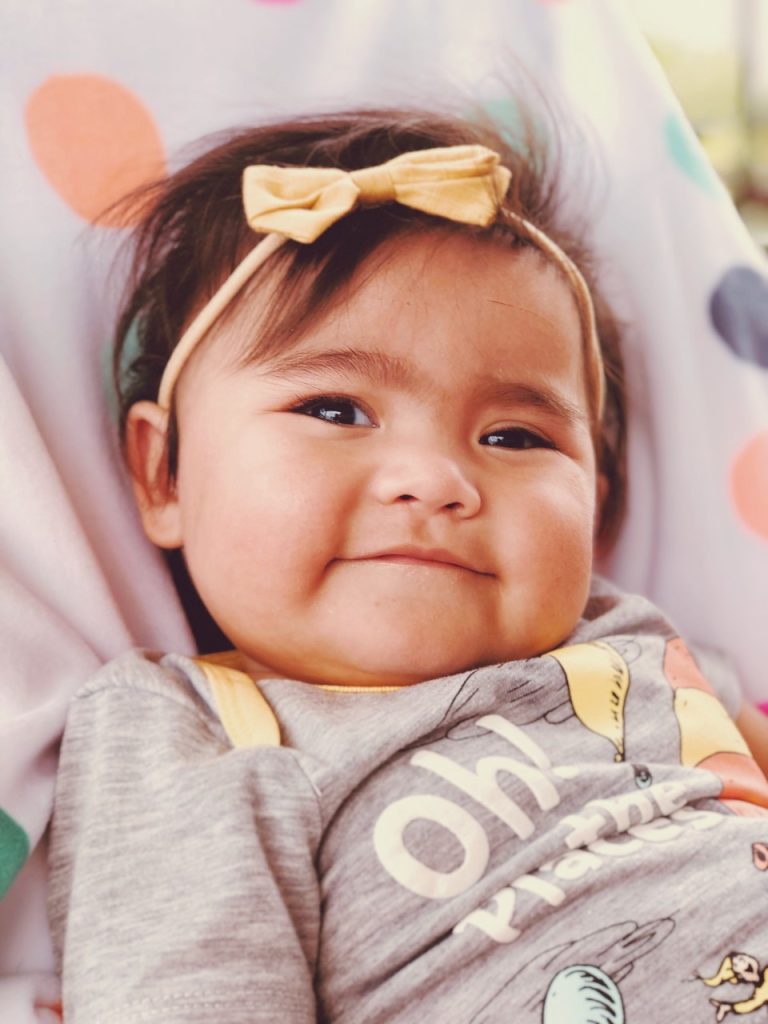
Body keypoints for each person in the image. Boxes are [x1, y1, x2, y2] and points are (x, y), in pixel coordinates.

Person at [48, 106, 768, 1023]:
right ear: (165, 473)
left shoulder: (638, 646)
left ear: (600, 497)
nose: (435, 480)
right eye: (336, 410)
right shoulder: (196, 736)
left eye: (514, 434)